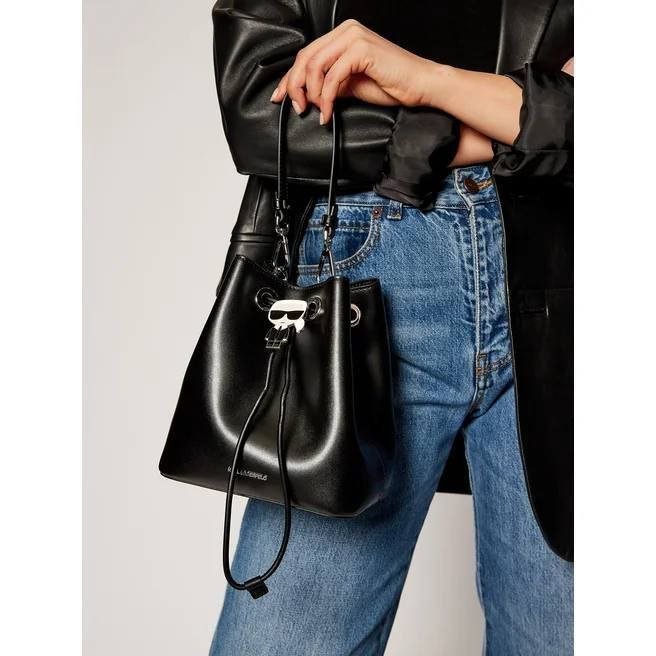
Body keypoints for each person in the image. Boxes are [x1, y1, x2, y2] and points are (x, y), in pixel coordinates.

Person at [209, 1, 573, 653]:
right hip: (364, 285)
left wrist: (420, 79)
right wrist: (505, 122)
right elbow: (261, 112)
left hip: (564, 277)